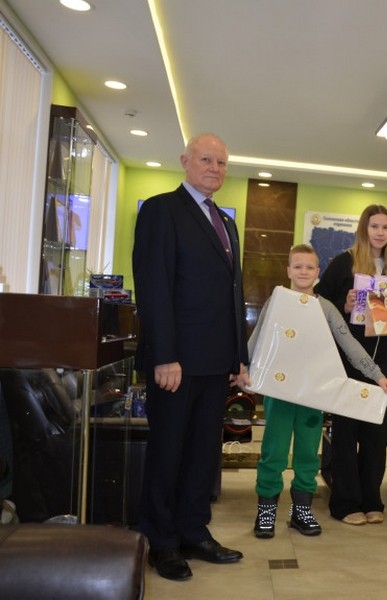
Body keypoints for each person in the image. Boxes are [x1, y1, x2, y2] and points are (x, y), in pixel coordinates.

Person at [132, 133, 249, 581]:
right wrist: (165, 355)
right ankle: (160, 542)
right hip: (176, 364)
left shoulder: (226, 222)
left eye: (222, 162)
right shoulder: (161, 210)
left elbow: (233, 294)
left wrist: (239, 357)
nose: (215, 168)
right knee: (168, 454)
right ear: (185, 161)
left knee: (203, 456)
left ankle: (193, 532)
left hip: (216, 363)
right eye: (206, 159)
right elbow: (154, 287)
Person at [253, 244, 387, 539]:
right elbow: (258, 337)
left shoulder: (326, 307)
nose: (303, 272)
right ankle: (266, 511)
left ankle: (301, 511)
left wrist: (377, 374)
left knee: (307, 454)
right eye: (298, 266)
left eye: (309, 267)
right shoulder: (277, 300)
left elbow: (349, 344)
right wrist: (243, 368)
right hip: (279, 393)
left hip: (313, 394)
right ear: (288, 271)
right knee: (274, 451)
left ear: (317, 272)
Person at [315, 204, 387, 526]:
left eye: (385, 227)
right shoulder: (344, 262)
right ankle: (345, 503)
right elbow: (318, 303)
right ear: (364, 229)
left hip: (381, 361)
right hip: (347, 360)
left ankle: (372, 500)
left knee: (375, 436)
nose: (380, 232)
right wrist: (344, 305)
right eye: (374, 226)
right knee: (345, 434)